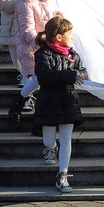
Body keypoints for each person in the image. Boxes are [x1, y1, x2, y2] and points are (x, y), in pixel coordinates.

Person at [34, 16, 86, 193]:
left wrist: (81, 75)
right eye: (69, 33)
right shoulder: (42, 54)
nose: (71, 36)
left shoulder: (72, 54)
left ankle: (62, 175)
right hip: (49, 102)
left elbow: (82, 70)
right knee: (49, 140)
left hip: (68, 101)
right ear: (58, 37)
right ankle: (50, 148)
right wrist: (70, 75)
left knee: (66, 139)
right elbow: (45, 77)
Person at [8, 0, 62, 121]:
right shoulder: (26, 1)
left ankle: (22, 102)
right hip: (33, 47)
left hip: (49, 46)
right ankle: (25, 105)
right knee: (42, 80)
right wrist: (44, 42)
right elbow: (26, 30)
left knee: (44, 82)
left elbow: (50, 18)